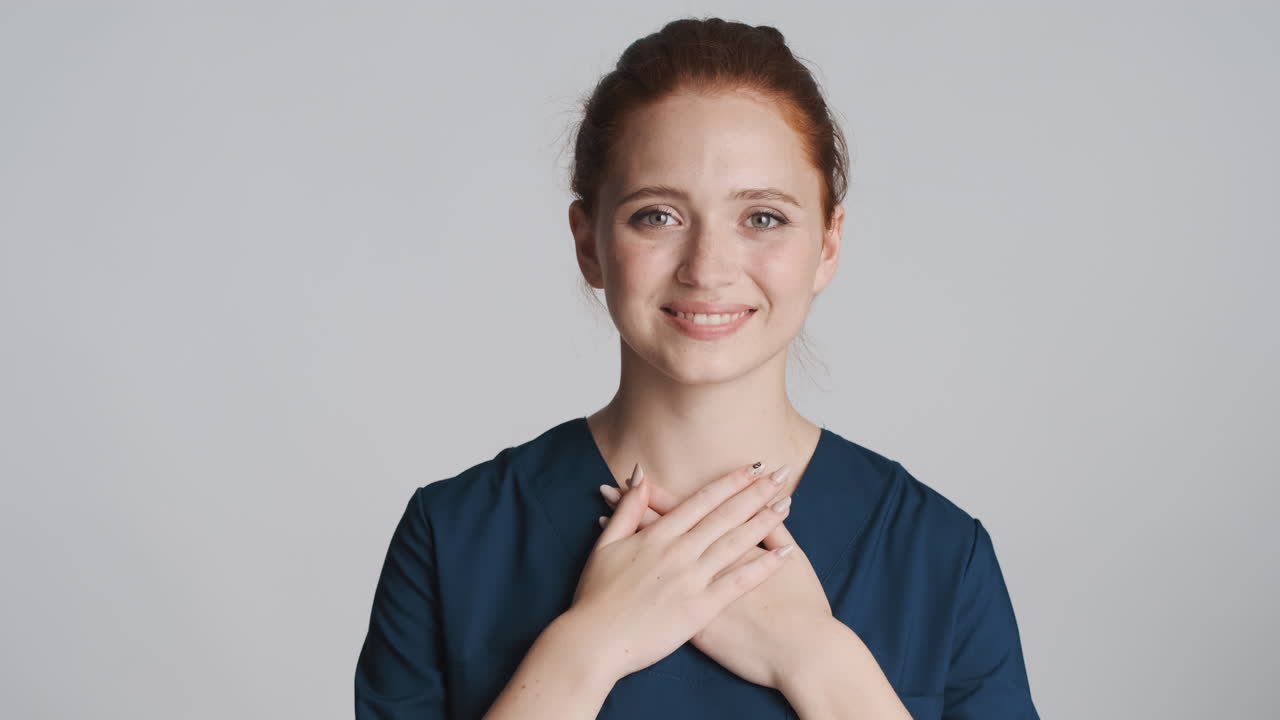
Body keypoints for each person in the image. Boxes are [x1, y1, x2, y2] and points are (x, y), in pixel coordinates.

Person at [354, 16, 1040, 720]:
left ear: (828, 245)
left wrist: (820, 662)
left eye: (763, 218)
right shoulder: (456, 537)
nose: (707, 268)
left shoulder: (938, 555)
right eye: (657, 216)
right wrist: (584, 652)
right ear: (588, 243)